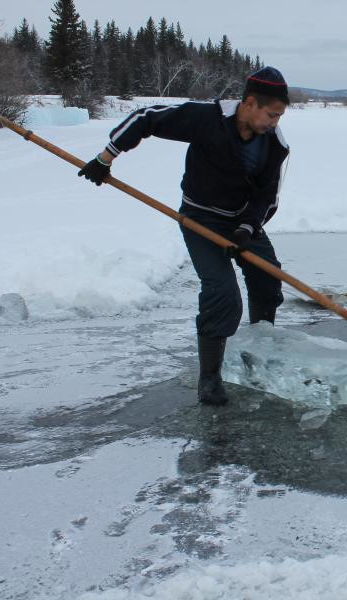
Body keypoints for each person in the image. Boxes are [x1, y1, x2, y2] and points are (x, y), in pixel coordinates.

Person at [77, 67, 291, 406]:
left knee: (267, 280)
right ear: (250, 103)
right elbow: (146, 118)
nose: (274, 122)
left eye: (279, 116)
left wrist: (247, 229)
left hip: (242, 224)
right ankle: (209, 378)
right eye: (272, 114)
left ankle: (258, 359)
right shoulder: (207, 119)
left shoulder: (274, 145)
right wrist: (106, 158)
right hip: (200, 220)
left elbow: (268, 197)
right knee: (223, 295)